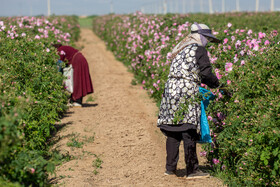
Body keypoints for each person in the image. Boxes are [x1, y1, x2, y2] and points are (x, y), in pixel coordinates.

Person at [157, 23, 221, 179]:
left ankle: (170, 168)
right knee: (189, 130)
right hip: (186, 90)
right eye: (207, 38)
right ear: (201, 36)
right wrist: (219, 85)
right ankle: (192, 170)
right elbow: (205, 73)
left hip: (171, 90)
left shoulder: (181, 49)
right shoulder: (199, 50)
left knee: (173, 129)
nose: (207, 42)